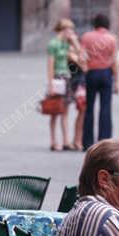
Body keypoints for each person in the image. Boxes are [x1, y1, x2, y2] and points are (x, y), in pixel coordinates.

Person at [80, 14, 118, 148]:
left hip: (92, 73)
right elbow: (114, 61)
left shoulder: (86, 36)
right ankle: (104, 141)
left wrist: (85, 69)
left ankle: (87, 142)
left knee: (89, 108)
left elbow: (82, 57)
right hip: (106, 73)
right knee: (105, 108)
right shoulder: (112, 38)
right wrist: (117, 81)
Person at [46, 19, 73, 151]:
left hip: (66, 77)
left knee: (65, 110)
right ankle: (53, 141)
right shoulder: (53, 44)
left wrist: (75, 42)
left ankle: (66, 141)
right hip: (57, 77)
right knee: (54, 110)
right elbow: (50, 66)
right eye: (70, 30)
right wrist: (50, 84)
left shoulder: (66, 44)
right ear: (63, 30)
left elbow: (79, 55)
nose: (72, 32)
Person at [65, 22, 87, 151]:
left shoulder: (77, 50)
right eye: (71, 33)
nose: (74, 34)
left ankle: (78, 139)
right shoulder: (69, 51)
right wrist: (75, 43)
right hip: (78, 83)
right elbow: (83, 64)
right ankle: (77, 140)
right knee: (82, 110)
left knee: (82, 112)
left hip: (82, 82)